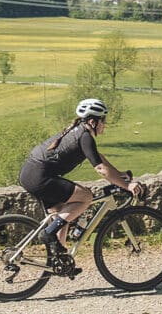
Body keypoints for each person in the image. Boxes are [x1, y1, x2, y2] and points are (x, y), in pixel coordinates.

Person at [19, 98, 144, 260]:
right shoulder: (85, 136)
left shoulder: (79, 132)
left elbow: (99, 158)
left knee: (64, 213)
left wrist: (120, 174)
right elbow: (100, 169)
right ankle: (48, 233)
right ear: (93, 121)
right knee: (86, 196)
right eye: (103, 120)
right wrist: (127, 186)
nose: (104, 124)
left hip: (31, 173)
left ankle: (59, 259)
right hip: (39, 176)